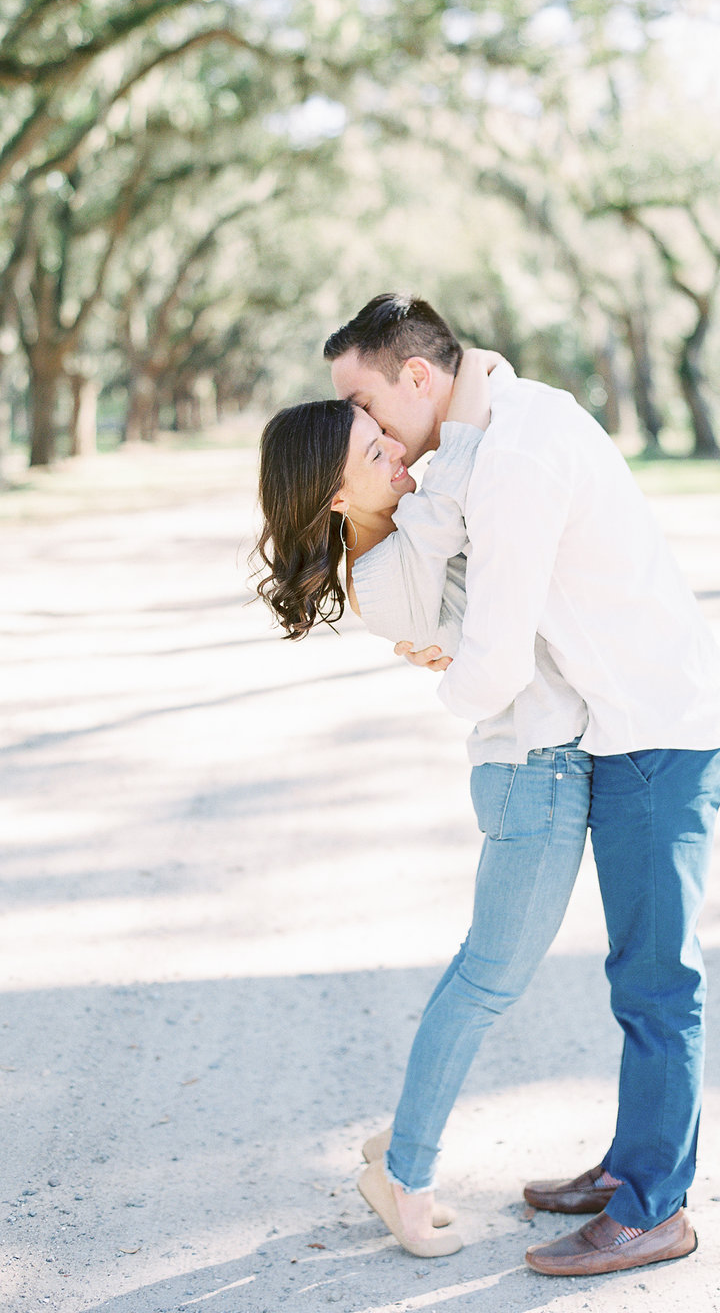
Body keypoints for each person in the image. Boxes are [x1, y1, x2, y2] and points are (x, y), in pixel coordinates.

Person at [323, 294, 720, 1277]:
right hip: (622, 724)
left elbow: (497, 662)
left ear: (417, 377)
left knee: (656, 979)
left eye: (368, 404)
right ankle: (632, 1165)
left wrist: (451, 664)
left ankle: (652, 1209)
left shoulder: (511, 458)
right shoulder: (501, 423)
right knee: (633, 971)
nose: (372, 431)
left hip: (656, 730)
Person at [254, 349, 594, 1259]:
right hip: (535, 770)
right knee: (487, 979)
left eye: (384, 439)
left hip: (545, 762)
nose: (401, 458)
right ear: (334, 499)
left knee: (484, 976)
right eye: (375, 455)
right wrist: (478, 367)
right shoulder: (392, 564)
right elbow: (462, 463)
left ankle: (393, 1148)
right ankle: (403, 1173)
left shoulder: (394, 542)